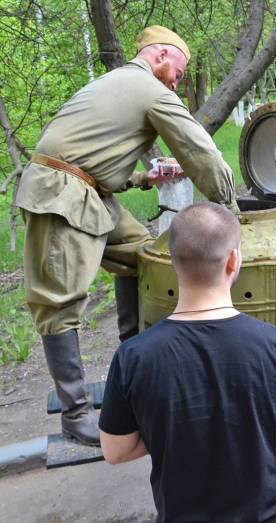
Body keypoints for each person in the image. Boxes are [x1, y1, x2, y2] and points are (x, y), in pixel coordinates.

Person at [14, 25, 238, 446]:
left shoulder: (121, 83)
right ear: (160, 56)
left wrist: (143, 177)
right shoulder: (149, 89)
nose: (178, 81)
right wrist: (233, 210)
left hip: (86, 190)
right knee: (58, 303)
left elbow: (92, 157)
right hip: (61, 195)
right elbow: (201, 152)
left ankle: (133, 370)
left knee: (146, 257)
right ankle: (76, 416)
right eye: (179, 71)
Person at [99, 202, 276, 522]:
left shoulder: (133, 357)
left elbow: (115, 450)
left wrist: (173, 427)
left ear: (175, 263)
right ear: (233, 260)